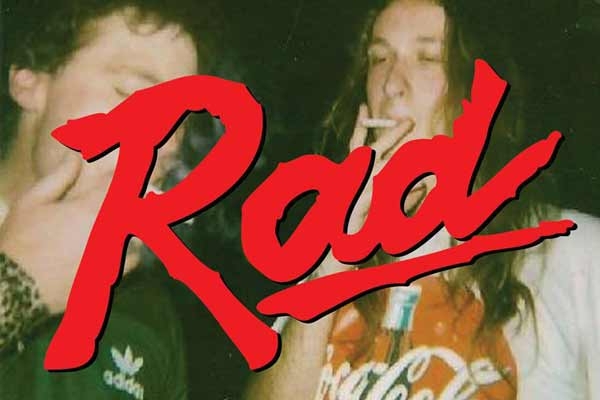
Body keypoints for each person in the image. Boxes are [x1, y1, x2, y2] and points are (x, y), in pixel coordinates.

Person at [245, 0, 600, 399]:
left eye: (427, 58)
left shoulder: (573, 252)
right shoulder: (325, 257)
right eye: (379, 58)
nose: (390, 84)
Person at [0, 0, 218, 398]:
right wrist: (16, 285)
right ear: (28, 81)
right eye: (132, 93)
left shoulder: (148, 316)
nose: (169, 143)